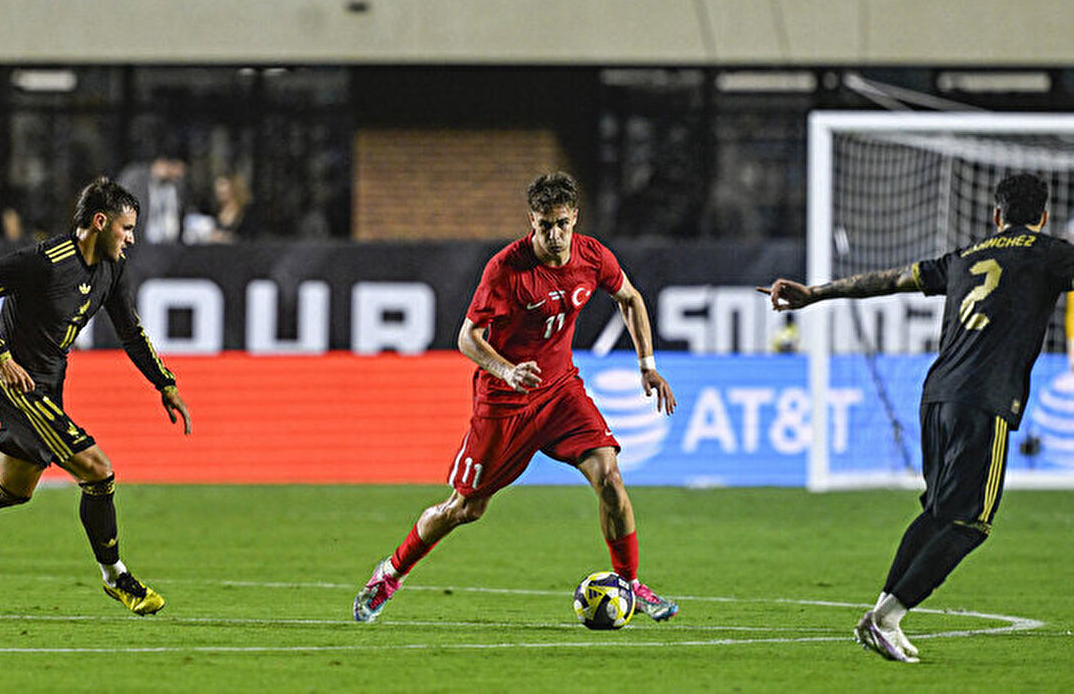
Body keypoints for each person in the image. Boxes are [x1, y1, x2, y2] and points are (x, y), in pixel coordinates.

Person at [758, 172, 1074, 663]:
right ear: (1044, 217)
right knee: (972, 522)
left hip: (937, 396)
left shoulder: (965, 257)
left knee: (938, 513)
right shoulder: (1052, 253)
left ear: (996, 215)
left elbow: (888, 281)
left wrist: (815, 293)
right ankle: (890, 616)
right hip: (984, 398)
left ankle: (881, 615)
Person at [353, 171, 679, 623]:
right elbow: (467, 337)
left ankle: (628, 582)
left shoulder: (592, 256)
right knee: (465, 508)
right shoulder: (507, 269)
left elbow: (629, 297)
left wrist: (647, 366)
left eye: (562, 223)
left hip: (561, 391)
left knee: (609, 475)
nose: (554, 234)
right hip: (504, 403)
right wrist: (506, 371)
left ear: (575, 219)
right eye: (544, 225)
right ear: (531, 221)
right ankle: (390, 573)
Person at [0, 177, 192, 615]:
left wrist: (165, 383)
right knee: (98, 472)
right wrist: (2, 357)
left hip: (47, 388)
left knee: (11, 489)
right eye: (126, 228)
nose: (131, 238)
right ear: (100, 222)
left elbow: (130, 330)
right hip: (14, 384)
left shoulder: (111, 269)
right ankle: (116, 576)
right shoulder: (45, 261)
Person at [116, 148, 187, 244]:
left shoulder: (176, 186)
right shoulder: (136, 180)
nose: (178, 177)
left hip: (170, 246)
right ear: (162, 163)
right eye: (175, 171)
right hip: (139, 247)